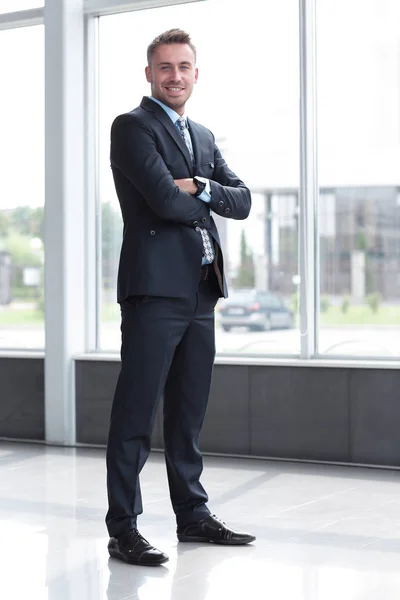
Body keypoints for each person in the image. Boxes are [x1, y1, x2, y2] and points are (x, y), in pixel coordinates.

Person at [106, 28, 255, 566]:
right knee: (135, 414)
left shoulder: (205, 136)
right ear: (149, 73)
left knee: (188, 415)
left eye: (183, 67)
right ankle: (123, 528)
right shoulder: (132, 127)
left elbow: (242, 201)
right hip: (153, 292)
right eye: (164, 67)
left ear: (196, 73)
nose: (174, 76)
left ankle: (192, 516)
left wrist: (199, 185)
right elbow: (167, 206)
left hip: (200, 293)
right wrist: (192, 193)